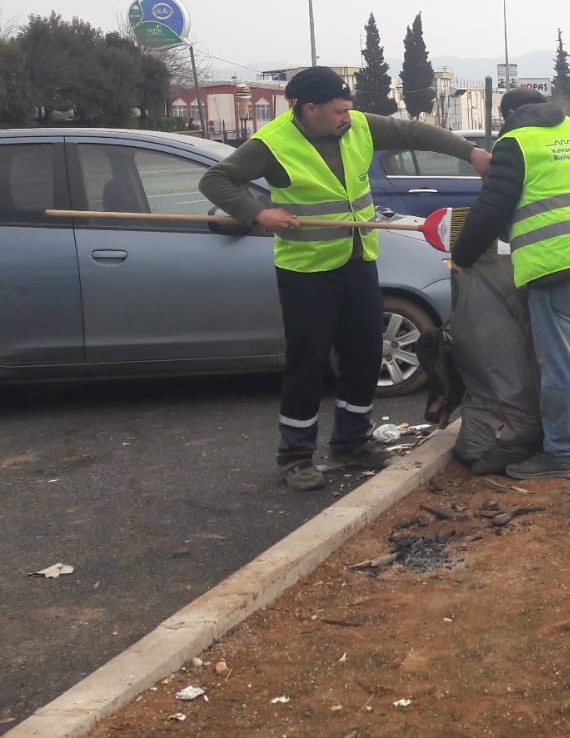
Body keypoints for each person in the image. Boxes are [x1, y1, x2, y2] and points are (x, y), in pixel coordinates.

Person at [200, 66, 492, 490]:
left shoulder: (360, 127)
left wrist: (470, 153)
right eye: (339, 111)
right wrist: (259, 213)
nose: (348, 118)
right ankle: (296, 456)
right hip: (307, 271)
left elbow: (416, 134)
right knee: (308, 365)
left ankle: (352, 441)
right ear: (309, 109)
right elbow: (216, 180)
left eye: (349, 109)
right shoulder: (271, 144)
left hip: (358, 263)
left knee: (364, 356)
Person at [451, 89, 570, 480]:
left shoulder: (517, 142)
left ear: (511, 114)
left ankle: (560, 455)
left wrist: (463, 258)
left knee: (561, 367)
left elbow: (492, 208)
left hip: (558, 266)